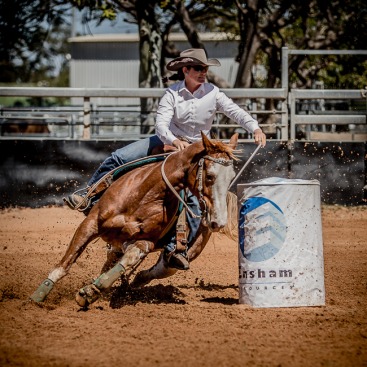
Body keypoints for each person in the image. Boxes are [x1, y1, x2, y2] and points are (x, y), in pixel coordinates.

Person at [65, 48, 266, 269]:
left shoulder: (213, 92)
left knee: (193, 199)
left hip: (198, 150)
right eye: (198, 68)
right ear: (186, 70)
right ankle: (89, 195)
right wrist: (174, 139)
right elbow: (161, 124)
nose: (203, 72)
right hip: (166, 142)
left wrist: (255, 128)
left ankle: (176, 248)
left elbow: (236, 112)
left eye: (205, 69)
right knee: (119, 157)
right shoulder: (172, 93)